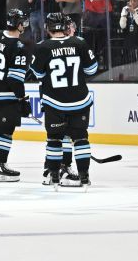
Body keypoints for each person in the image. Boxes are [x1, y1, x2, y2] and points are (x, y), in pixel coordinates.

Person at [29, 12, 98, 188]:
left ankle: (53, 176)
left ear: (47, 28)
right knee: (81, 139)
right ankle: (84, 176)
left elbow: (39, 74)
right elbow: (92, 70)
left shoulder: (42, 47)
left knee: (54, 140)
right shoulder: (80, 43)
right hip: (80, 101)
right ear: (66, 27)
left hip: (54, 102)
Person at [0, 9, 30, 182]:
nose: (24, 24)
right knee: (6, 131)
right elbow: (15, 79)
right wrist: (22, 99)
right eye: (22, 21)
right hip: (6, 95)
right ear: (18, 24)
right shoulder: (19, 47)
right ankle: (1, 164)